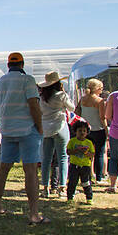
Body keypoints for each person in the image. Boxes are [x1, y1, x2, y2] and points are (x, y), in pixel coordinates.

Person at [0, 52, 48, 224]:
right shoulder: (27, 80)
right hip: (27, 130)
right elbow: (33, 104)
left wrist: (2, 124)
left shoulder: (0, 82)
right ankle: (34, 214)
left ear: (8, 65)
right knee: (30, 170)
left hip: (8, 131)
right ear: (22, 65)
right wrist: (39, 126)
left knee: (3, 168)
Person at [38, 71, 74, 199]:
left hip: (46, 128)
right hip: (60, 127)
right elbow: (72, 108)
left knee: (46, 159)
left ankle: (45, 188)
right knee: (63, 157)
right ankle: (62, 187)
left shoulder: (41, 97)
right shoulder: (61, 95)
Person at [76, 78, 108, 183]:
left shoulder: (83, 99)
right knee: (99, 153)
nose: (102, 90)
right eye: (101, 88)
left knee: (86, 153)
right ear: (97, 89)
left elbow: (77, 112)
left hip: (86, 130)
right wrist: (106, 129)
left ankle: (88, 175)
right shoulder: (99, 101)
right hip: (97, 129)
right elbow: (102, 117)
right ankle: (99, 177)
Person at [66, 120, 95, 204]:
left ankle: (89, 198)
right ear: (75, 131)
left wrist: (86, 152)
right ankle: (70, 198)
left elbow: (92, 154)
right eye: (80, 131)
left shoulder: (89, 143)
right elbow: (68, 152)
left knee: (86, 183)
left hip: (85, 166)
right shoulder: (72, 141)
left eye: (84, 131)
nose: (82, 133)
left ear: (87, 132)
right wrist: (76, 150)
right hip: (74, 165)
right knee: (72, 182)